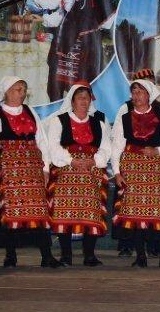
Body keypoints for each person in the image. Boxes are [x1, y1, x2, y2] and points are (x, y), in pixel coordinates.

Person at [0, 77, 59, 268]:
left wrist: (45, 168)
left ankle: (47, 255)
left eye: (24, 90)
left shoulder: (30, 111)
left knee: (39, 211)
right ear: (6, 92)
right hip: (8, 172)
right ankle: (10, 256)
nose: (22, 93)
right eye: (18, 89)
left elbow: (42, 141)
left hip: (33, 171)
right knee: (10, 213)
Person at [110, 69, 160, 268]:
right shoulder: (125, 116)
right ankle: (140, 256)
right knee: (136, 213)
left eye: (140, 92)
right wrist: (117, 172)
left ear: (149, 94)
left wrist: (158, 151)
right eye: (134, 92)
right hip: (132, 167)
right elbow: (117, 145)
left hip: (155, 168)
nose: (136, 96)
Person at [45, 81, 111, 266]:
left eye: (87, 98)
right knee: (64, 212)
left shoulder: (99, 123)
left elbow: (106, 147)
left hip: (91, 171)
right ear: (72, 101)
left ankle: (89, 255)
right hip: (67, 170)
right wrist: (71, 160)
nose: (84, 101)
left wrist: (94, 161)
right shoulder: (59, 120)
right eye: (80, 98)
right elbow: (53, 146)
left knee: (92, 211)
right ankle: (66, 255)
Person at [46, 0, 112, 101]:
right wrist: (44, 19)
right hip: (65, 45)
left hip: (85, 47)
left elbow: (108, 23)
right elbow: (59, 17)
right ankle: (56, 108)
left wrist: (91, 26)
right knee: (56, 83)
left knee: (82, 83)